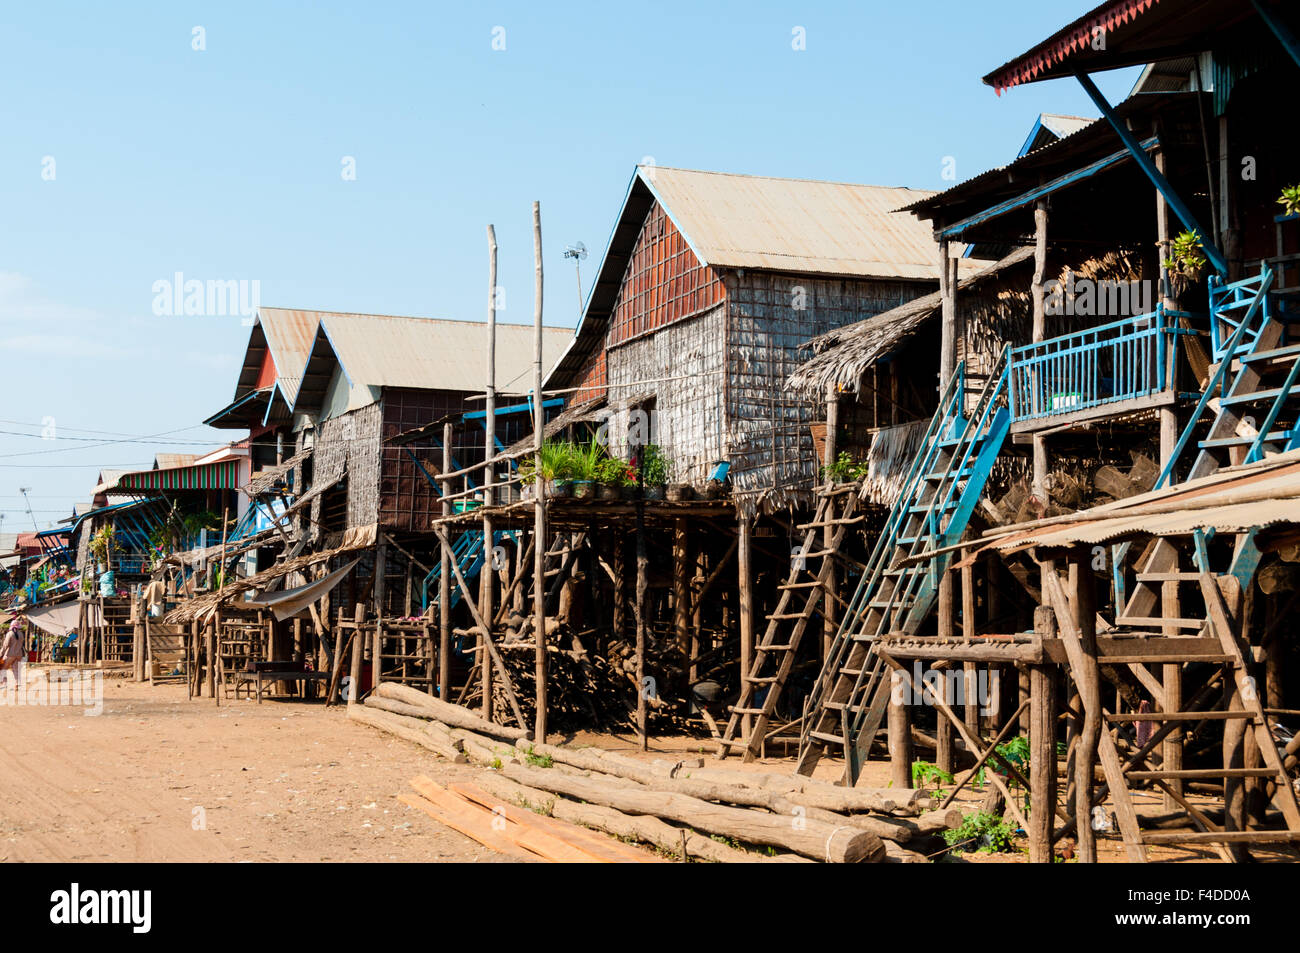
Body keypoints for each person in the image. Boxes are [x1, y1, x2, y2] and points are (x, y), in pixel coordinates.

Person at [0, 615, 25, 689]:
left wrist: (1, 654)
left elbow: (5, 645)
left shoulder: (9, 634)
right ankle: (17, 684)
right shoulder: (21, 634)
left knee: (3, 669)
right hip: (19, 655)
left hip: (10, 655)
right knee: (15, 669)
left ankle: (4, 684)